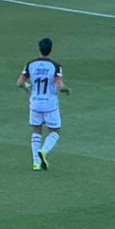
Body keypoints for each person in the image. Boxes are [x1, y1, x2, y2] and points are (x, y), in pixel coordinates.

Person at [18, 37, 68, 171]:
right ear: (51, 50)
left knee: (36, 131)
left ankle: (36, 163)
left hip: (35, 103)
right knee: (55, 131)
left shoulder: (30, 64)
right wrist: (67, 90)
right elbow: (60, 85)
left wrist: (28, 88)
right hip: (50, 104)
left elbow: (20, 83)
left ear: (39, 49)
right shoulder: (55, 66)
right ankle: (44, 151)